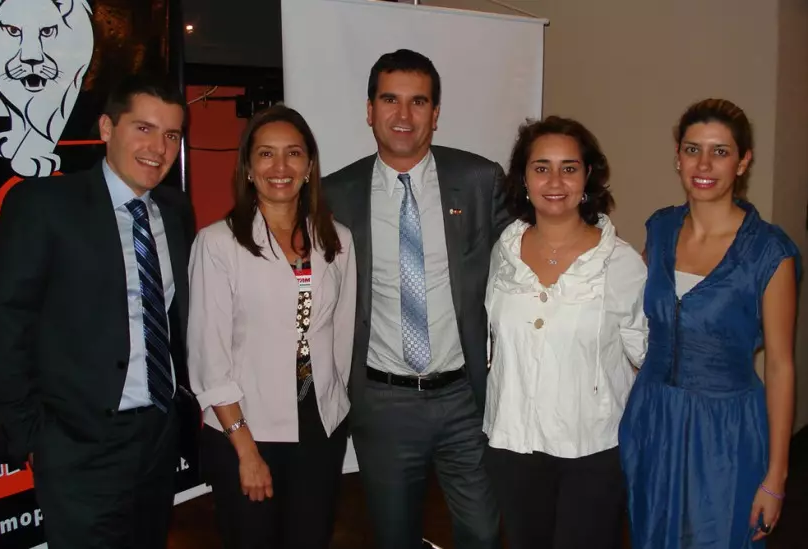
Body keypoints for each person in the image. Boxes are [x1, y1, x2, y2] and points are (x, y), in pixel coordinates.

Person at [0, 74, 197, 548]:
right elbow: (4, 325)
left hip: (158, 434)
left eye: (171, 135)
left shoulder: (175, 210)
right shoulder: (43, 205)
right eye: (143, 128)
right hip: (78, 442)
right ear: (106, 128)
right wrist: (33, 436)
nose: (158, 148)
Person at [322, 48, 507, 549]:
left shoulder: (479, 181)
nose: (403, 115)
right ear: (369, 110)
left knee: (484, 533)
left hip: (464, 398)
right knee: (394, 535)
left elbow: (525, 257)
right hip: (384, 403)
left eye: (418, 102)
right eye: (390, 100)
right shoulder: (335, 194)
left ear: (435, 114)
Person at [619, 98, 801, 548]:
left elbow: (780, 366)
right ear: (677, 157)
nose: (703, 164)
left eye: (720, 151)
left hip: (725, 430)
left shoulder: (769, 252)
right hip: (653, 419)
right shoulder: (660, 229)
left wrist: (776, 477)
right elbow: (636, 319)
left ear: (743, 162)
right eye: (692, 149)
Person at [188, 105, 356, 549]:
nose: (280, 167)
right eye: (266, 154)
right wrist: (246, 451)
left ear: (309, 166)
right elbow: (209, 356)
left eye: (293, 153)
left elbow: (341, 334)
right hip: (249, 429)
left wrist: (336, 407)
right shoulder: (218, 244)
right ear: (248, 168)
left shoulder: (337, 239)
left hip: (319, 427)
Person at [483, 116, 647, 549]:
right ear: (524, 178)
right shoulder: (503, 252)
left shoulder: (620, 263)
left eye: (569, 168)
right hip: (514, 445)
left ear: (587, 176)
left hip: (591, 450)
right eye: (541, 167)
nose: (555, 181)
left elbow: (647, 355)